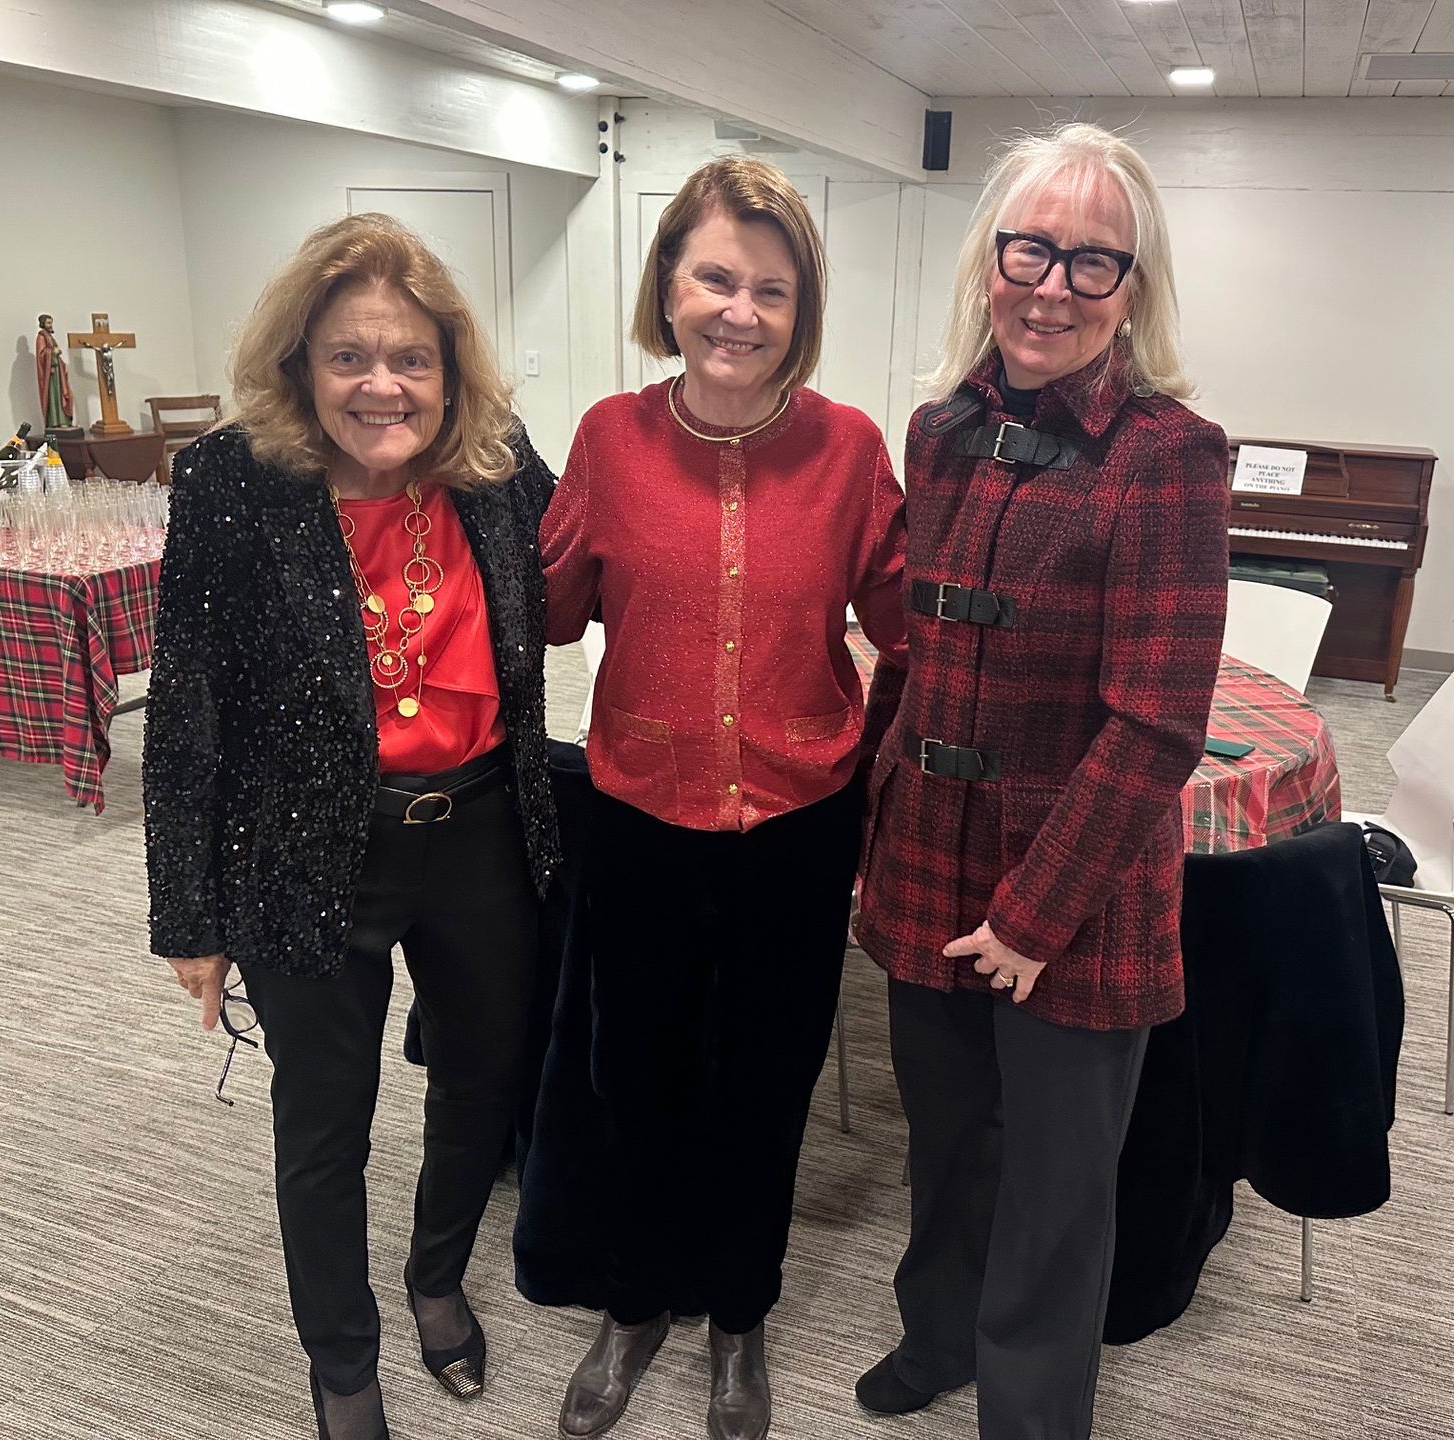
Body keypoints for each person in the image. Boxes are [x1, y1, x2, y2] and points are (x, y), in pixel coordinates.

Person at [144, 212, 562, 1440]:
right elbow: (188, 702)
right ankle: (343, 1364)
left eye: (412, 358)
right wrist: (188, 913)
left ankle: (437, 1276)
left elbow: (600, 566)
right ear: (302, 365)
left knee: (482, 1080)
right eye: (349, 357)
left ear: (450, 369)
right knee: (323, 1123)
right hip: (305, 841)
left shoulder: (496, 465)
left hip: (481, 831)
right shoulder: (233, 483)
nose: (383, 385)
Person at [853, 122, 1231, 1439]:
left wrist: (1031, 916)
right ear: (991, 257)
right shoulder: (940, 430)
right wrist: (869, 829)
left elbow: (1157, 727)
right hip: (927, 858)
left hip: (1078, 895)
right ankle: (938, 1333)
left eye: (1093, 261)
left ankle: (1029, 1415)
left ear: (1133, 286)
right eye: (1031, 249)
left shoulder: (1170, 455)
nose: (1053, 286)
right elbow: (912, 652)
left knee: (1059, 1189)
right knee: (945, 1139)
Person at [539, 156, 907, 1440]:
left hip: (799, 826)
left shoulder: (850, 450)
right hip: (641, 814)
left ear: (802, 310)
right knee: (633, 1071)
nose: (738, 311)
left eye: (771, 289)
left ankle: (740, 1313)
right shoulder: (609, 438)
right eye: (713, 278)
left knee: (767, 1078)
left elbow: (908, 621)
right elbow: (553, 612)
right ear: (668, 289)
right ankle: (636, 1298)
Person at [35, 314, 74, 431]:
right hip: (50, 374)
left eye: (51, 322)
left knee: (62, 394)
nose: (50, 325)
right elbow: (41, 355)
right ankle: (55, 421)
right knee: (54, 396)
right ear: (42, 324)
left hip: (57, 371)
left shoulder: (50, 337)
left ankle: (63, 420)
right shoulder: (41, 337)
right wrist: (52, 353)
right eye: (48, 323)